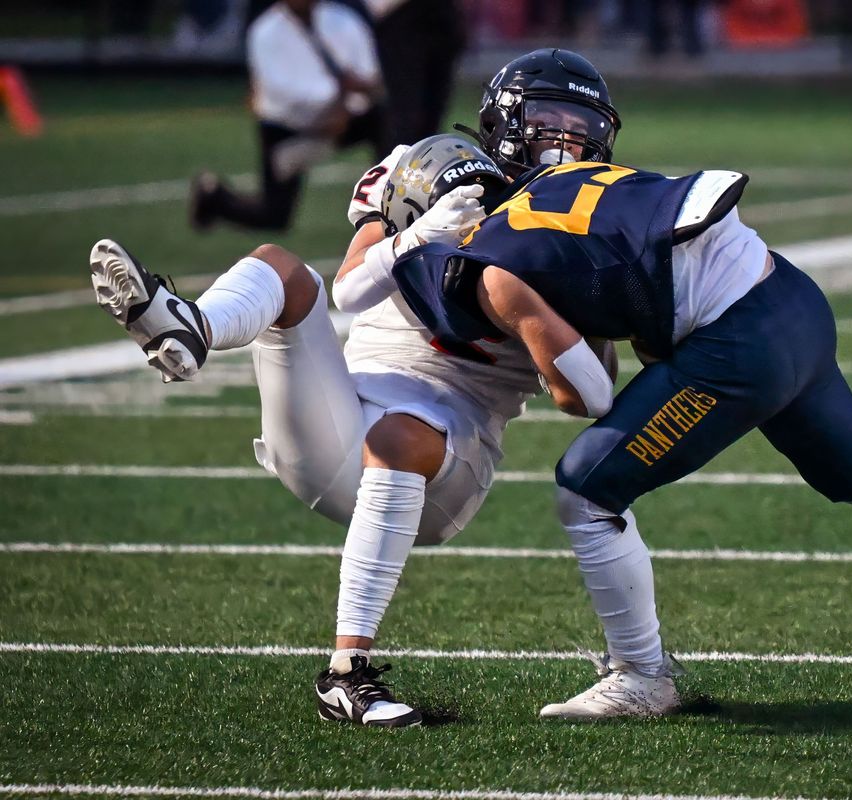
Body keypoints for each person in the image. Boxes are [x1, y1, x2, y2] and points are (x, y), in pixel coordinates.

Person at [374, 155, 852, 721]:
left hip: (740, 343)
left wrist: (550, 369)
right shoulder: (564, 189)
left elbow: (594, 393)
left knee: (586, 487)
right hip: (789, 298)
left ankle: (643, 675)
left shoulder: (493, 264)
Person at [90, 48, 623, 727]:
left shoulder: (583, 220)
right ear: (506, 120)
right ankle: (194, 328)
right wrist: (420, 235)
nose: (566, 139)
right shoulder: (435, 168)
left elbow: (591, 384)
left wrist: (550, 309)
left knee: (398, 434)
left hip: (445, 462)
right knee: (283, 270)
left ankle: (347, 674)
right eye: (550, 120)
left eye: (581, 125)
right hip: (336, 415)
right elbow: (346, 289)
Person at [190, 0, 388, 232]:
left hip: (346, 116)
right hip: (288, 130)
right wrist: (335, 101)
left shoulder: (342, 19)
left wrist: (348, 106)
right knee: (274, 215)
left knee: (384, 120)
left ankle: (387, 196)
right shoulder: (265, 32)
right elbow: (282, 93)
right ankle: (214, 197)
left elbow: (369, 72)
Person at [364, 0, 467, 147]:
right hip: (397, 16)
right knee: (405, 111)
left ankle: (429, 160)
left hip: (440, 15)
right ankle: (398, 162)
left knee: (433, 110)